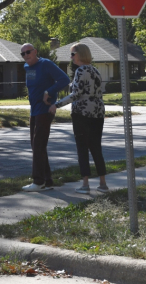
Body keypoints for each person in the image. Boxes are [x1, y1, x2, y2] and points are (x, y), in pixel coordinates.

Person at [48, 43, 108, 194]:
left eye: (73, 54)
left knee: (82, 147)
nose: (71, 57)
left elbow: (77, 94)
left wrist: (57, 104)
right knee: (96, 146)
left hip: (82, 113)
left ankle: (85, 184)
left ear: (80, 54)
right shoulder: (95, 70)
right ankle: (102, 183)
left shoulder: (80, 70)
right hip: (98, 112)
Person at [21, 43, 70, 192]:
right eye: (23, 54)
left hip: (45, 110)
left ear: (35, 51)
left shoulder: (46, 64)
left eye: (28, 52)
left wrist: (50, 91)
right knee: (37, 145)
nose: (26, 55)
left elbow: (64, 80)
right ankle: (47, 181)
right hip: (34, 110)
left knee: (38, 145)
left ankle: (38, 181)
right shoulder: (27, 67)